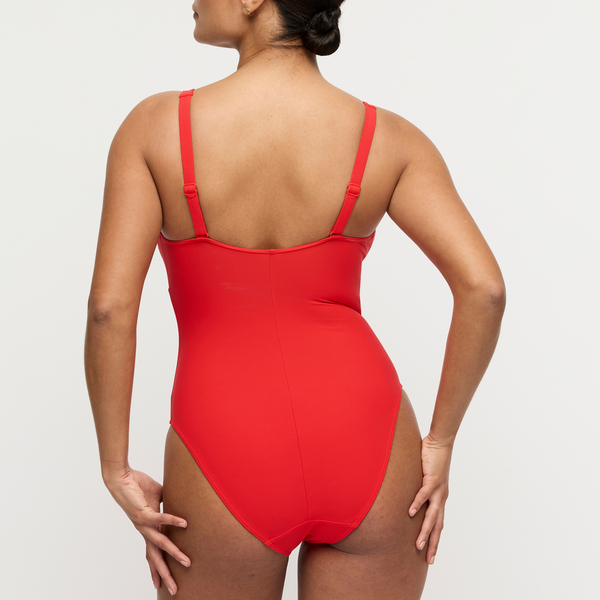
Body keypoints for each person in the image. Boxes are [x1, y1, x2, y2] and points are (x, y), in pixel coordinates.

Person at [84, 1, 505, 598]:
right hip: (369, 439)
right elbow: (484, 289)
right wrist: (439, 442)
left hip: (227, 438)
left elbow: (109, 312)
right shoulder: (389, 138)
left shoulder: (154, 128)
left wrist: (116, 466)